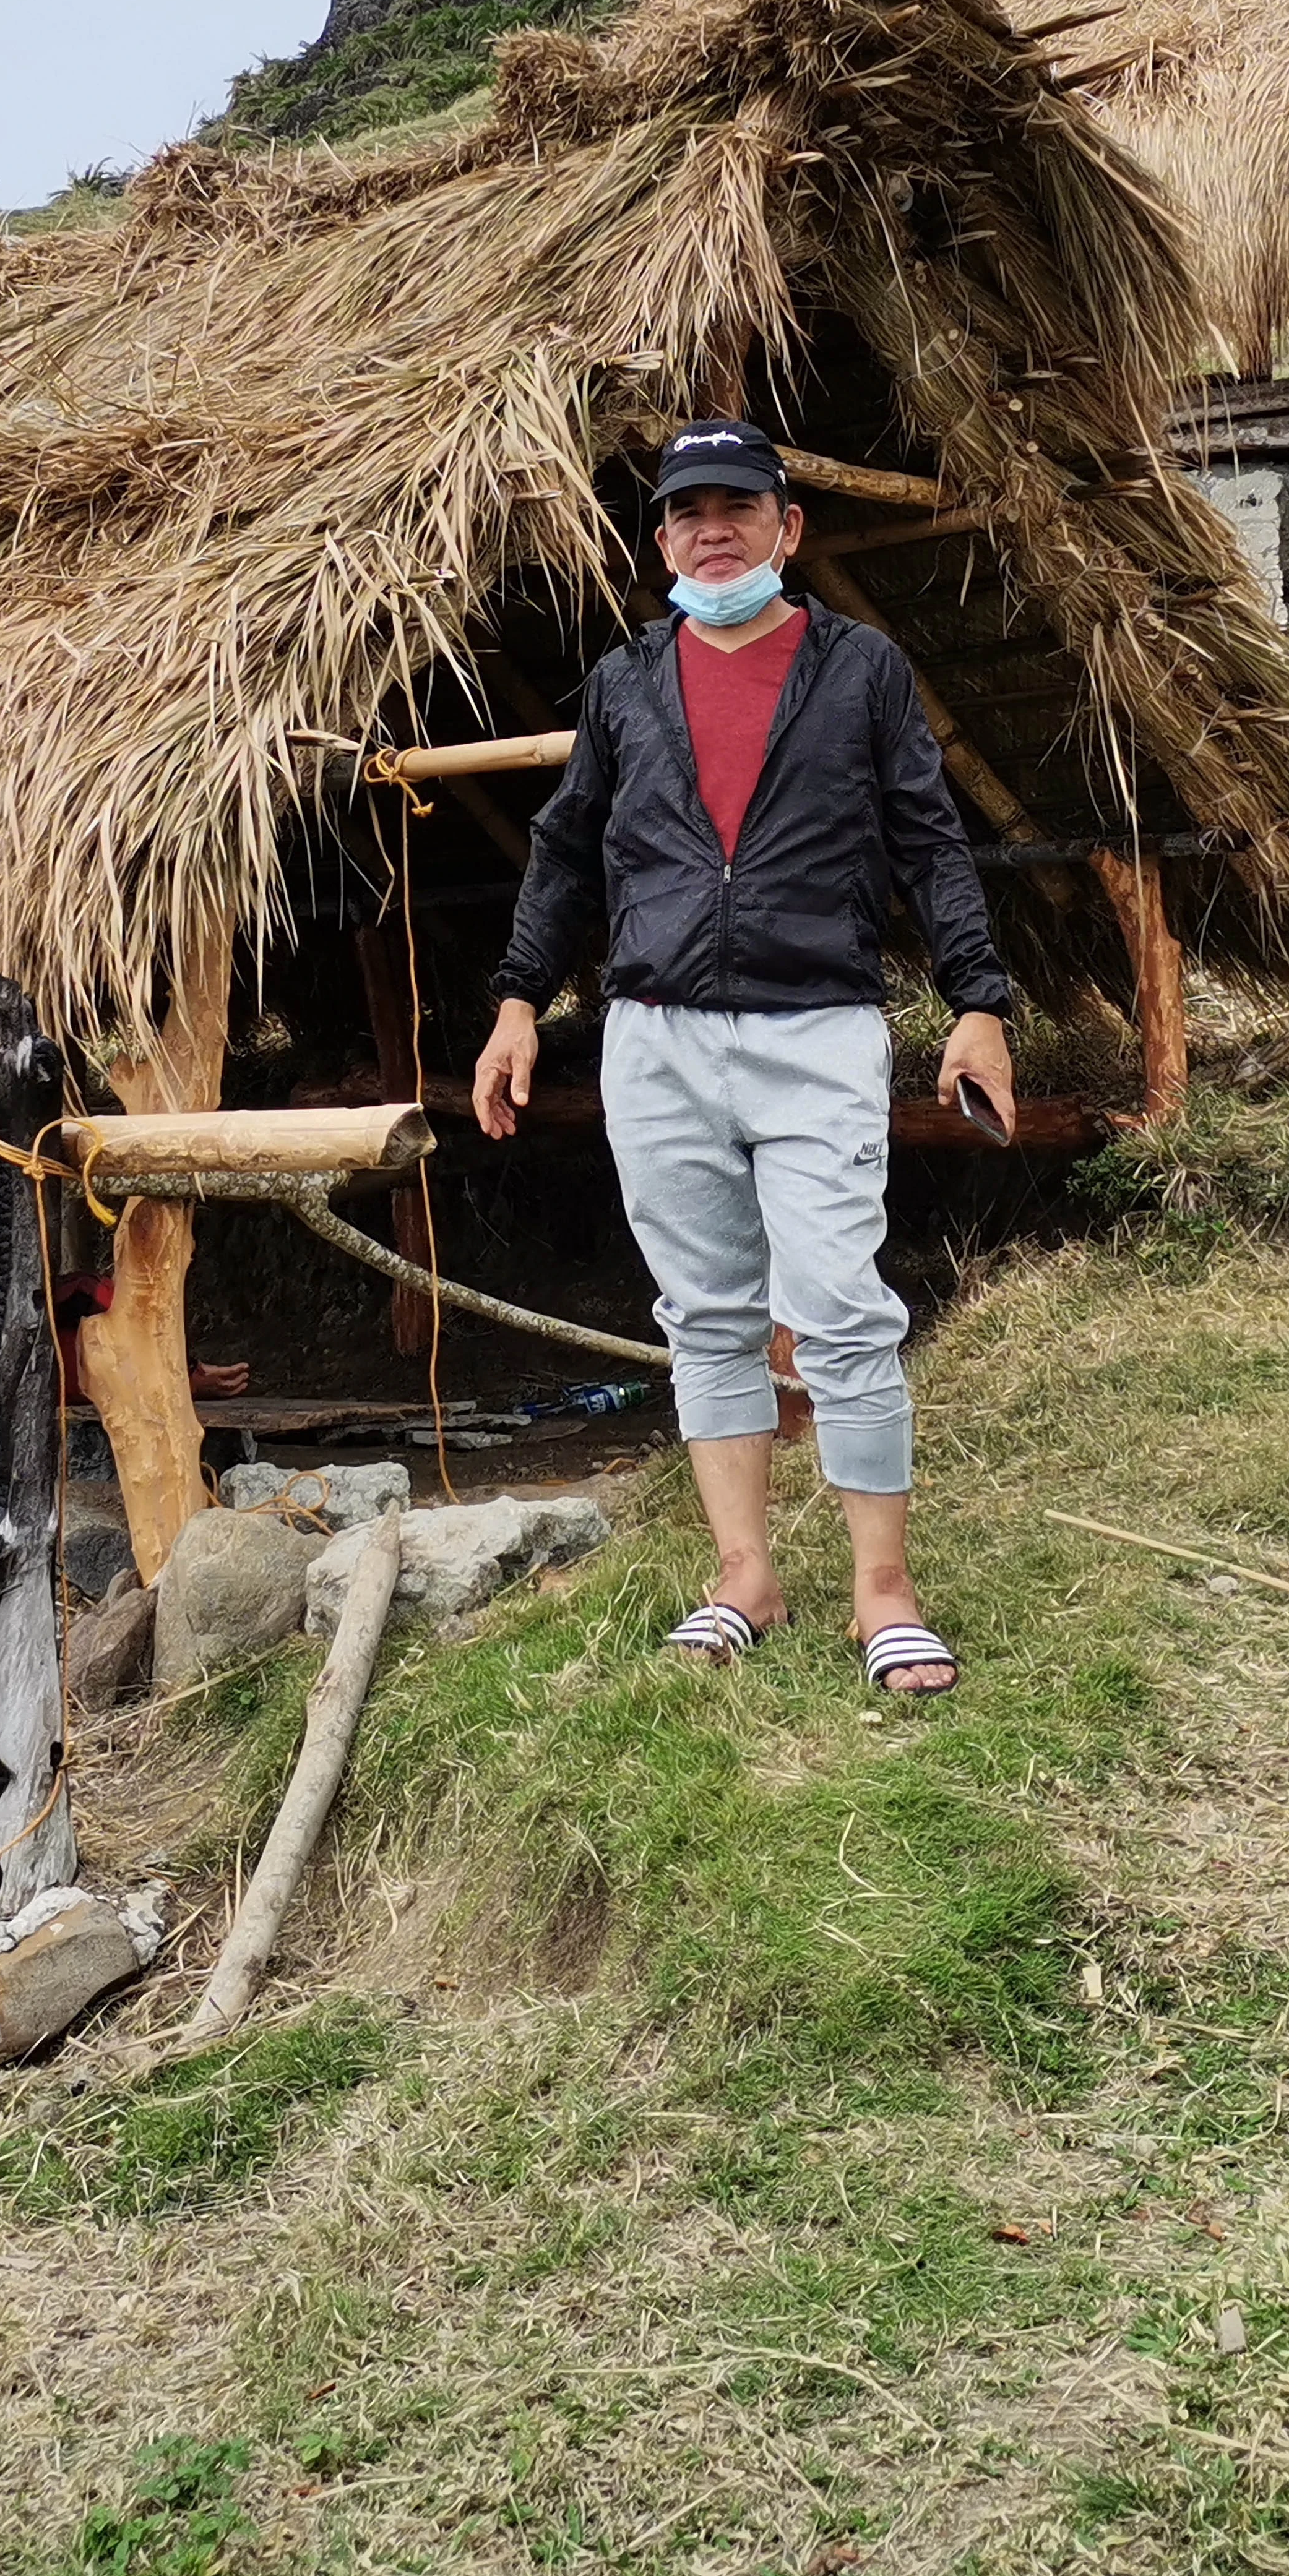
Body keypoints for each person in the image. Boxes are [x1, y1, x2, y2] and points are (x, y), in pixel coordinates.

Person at [474, 419, 1016, 1695]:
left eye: (738, 506)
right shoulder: (624, 683)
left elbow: (931, 842)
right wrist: (515, 1000)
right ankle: (745, 1579)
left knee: (838, 1310)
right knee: (707, 1319)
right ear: (661, 541)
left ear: (789, 527)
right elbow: (564, 853)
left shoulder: (859, 671)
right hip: (653, 1037)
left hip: (814, 1029)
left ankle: (881, 1592)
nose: (712, 530)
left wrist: (979, 1001)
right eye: (687, 513)